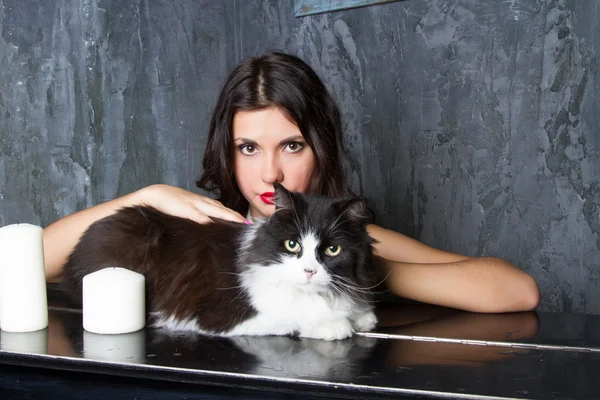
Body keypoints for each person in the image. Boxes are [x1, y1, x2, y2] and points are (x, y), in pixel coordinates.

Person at [43, 51, 540, 313]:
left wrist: (350, 269)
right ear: (226, 151)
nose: (270, 173)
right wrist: (142, 197)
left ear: (321, 146)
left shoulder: (349, 246)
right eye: (249, 148)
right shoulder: (196, 228)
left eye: (292, 145)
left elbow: (515, 291)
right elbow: (26, 264)